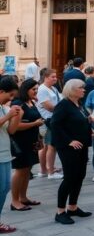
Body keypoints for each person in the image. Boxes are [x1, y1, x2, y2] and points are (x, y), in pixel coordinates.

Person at [50, 79, 93, 225]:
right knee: (69, 178)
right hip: (68, 148)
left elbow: (82, 120)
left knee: (80, 176)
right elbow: (55, 125)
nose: (84, 90)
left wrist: (89, 129)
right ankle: (60, 211)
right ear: (73, 90)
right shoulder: (63, 105)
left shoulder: (78, 104)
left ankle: (72, 207)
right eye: (81, 88)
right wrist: (69, 140)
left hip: (82, 145)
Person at [9, 79, 44, 212]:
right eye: (33, 89)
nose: (36, 91)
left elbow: (37, 121)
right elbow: (15, 127)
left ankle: (23, 197)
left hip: (31, 141)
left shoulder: (31, 102)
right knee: (20, 170)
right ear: (26, 89)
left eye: (37, 89)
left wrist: (39, 138)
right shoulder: (18, 104)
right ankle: (14, 201)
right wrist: (34, 124)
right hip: (20, 142)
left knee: (27, 170)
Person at [0, 77, 22, 233]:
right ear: (1, 92)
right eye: (10, 95)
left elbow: (11, 131)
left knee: (5, 187)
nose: (12, 99)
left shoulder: (3, 107)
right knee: (2, 187)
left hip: (5, 152)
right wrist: (8, 116)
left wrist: (17, 115)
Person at [36, 68, 63, 180]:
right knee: (51, 146)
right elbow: (49, 107)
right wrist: (64, 109)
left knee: (47, 146)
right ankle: (50, 171)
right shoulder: (42, 89)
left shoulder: (52, 88)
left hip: (53, 119)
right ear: (46, 77)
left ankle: (45, 169)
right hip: (48, 120)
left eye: (55, 76)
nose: (55, 79)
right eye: (52, 77)